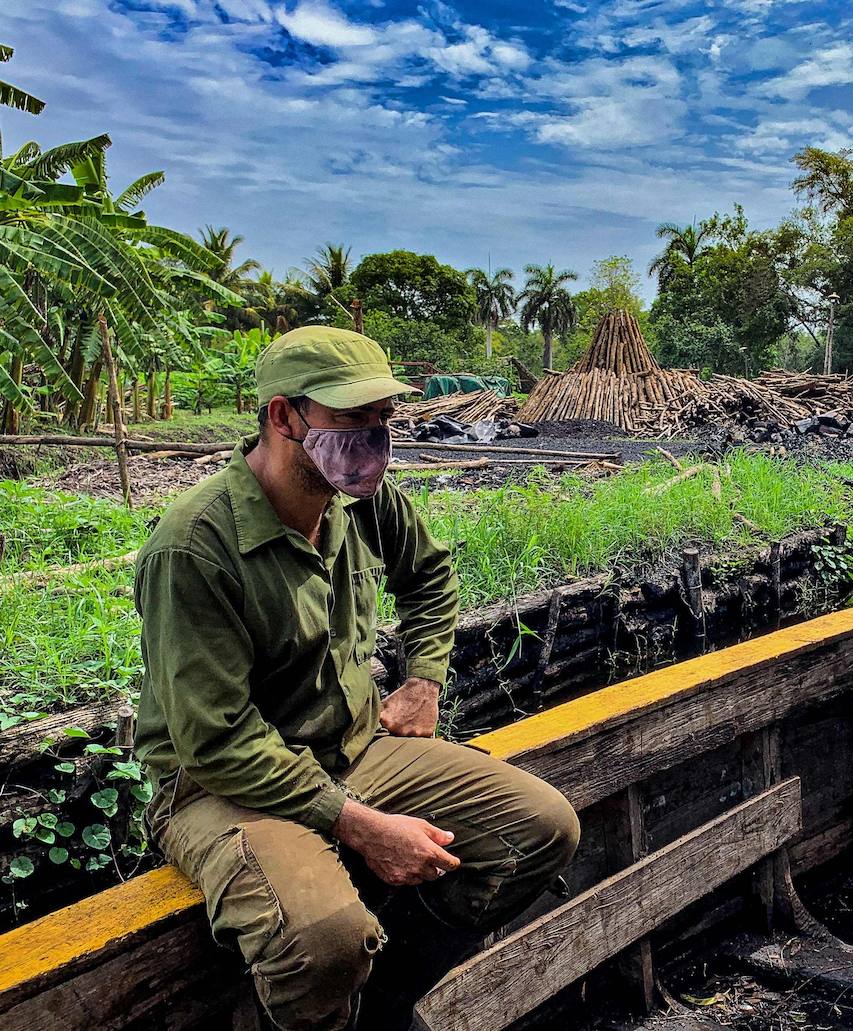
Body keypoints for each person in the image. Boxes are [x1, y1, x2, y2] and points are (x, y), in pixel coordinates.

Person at [134, 327, 580, 1031]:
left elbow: (430, 577)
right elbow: (215, 742)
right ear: (283, 417)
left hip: (352, 745)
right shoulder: (194, 547)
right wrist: (360, 824)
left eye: (383, 418)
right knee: (324, 942)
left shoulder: (364, 498)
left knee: (541, 828)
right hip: (223, 787)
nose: (375, 438)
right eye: (352, 419)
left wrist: (424, 678)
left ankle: (383, 1005)